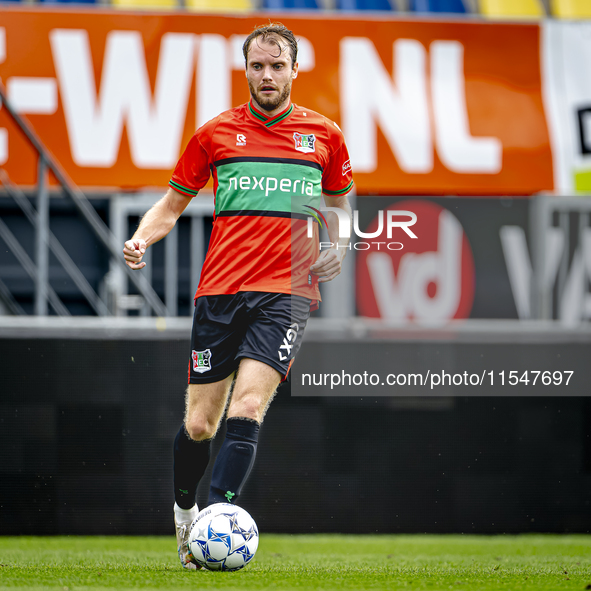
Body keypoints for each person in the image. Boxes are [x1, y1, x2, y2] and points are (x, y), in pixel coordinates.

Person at [123, 22, 353, 570]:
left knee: (248, 406)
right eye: (258, 66)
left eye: (277, 66)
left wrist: (338, 245)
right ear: (246, 69)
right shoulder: (215, 133)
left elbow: (342, 209)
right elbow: (171, 205)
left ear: (295, 70)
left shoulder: (324, 136)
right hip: (221, 292)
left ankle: (216, 518)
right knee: (200, 424)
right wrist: (141, 237)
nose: (267, 75)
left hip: (288, 292)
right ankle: (185, 519)